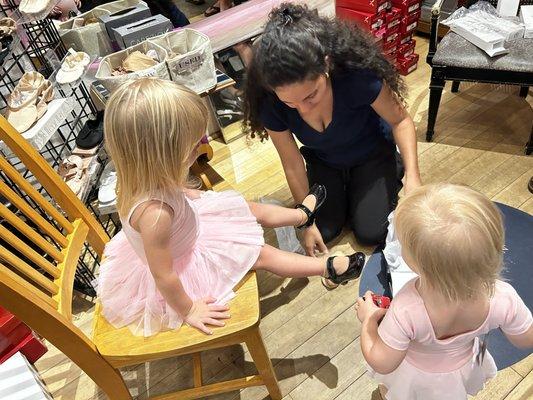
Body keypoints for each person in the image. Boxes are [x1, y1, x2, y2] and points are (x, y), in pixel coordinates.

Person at [97, 78, 366, 337]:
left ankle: (300, 215)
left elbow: (174, 196)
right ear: (161, 156)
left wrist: (196, 198)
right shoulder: (155, 215)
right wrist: (189, 309)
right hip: (186, 262)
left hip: (189, 225)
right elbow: (164, 275)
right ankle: (327, 267)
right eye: (192, 147)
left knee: (241, 206)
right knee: (260, 254)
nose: (200, 148)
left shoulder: (139, 177)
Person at [244, 3, 422, 257]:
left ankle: (390, 167)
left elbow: (400, 121)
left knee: (372, 232)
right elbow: (292, 162)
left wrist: (413, 177)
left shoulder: (356, 77)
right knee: (323, 230)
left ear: (326, 65)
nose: (302, 110)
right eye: (290, 103)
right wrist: (305, 220)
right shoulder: (269, 100)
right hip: (324, 160)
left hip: (370, 152)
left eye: (310, 96)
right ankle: (352, 188)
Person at [355, 183, 533, 400]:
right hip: (464, 366)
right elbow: (526, 339)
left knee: (398, 393)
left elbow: (382, 361)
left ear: (416, 263)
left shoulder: (407, 308)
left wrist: (369, 321)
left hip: (414, 375)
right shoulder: (502, 297)